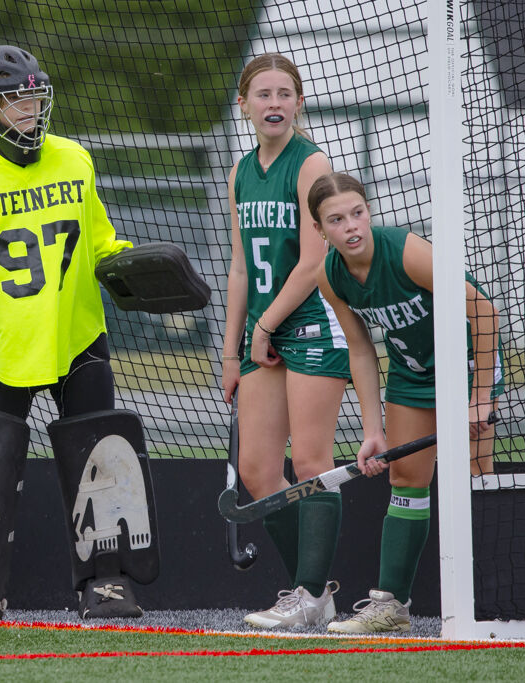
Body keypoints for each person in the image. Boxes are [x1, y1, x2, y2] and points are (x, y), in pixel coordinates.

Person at [0, 45, 159, 622]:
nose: (27, 108)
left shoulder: (74, 158)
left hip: (77, 336)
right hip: (4, 345)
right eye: (13, 99)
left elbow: (101, 241)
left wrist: (137, 268)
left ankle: (107, 579)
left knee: (100, 457)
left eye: (33, 96)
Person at [311, 171, 503, 632]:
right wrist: (372, 430)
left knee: (476, 475)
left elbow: (483, 310)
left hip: (465, 371)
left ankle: (496, 603)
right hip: (410, 376)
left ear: (369, 211)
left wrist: (478, 399)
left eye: (358, 213)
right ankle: (392, 608)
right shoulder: (330, 275)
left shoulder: (406, 251)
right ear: (320, 230)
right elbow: (360, 349)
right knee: (406, 480)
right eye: (336, 220)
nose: (351, 226)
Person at [220, 54, 349, 630]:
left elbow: (314, 260)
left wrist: (266, 327)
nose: (274, 104)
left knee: (311, 462)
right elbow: (241, 268)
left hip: (313, 323)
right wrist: (232, 350)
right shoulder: (240, 171)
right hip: (262, 335)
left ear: (299, 102)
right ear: (244, 105)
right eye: (263, 94)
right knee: (256, 473)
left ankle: (307, 592)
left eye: (285, 94)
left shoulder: (310, 163)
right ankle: (313, 596)